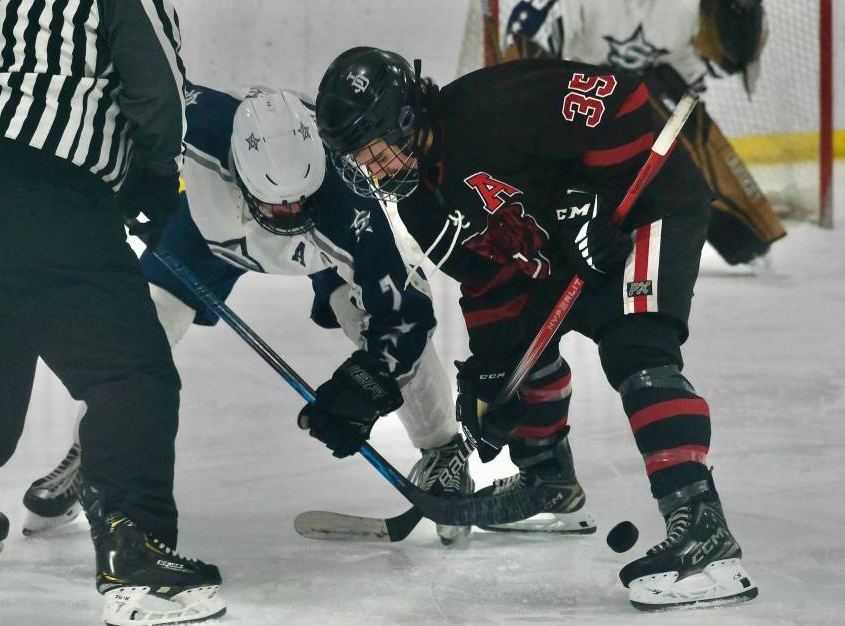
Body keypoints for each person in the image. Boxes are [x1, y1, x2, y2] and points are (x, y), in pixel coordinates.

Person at [313, 46, 758, 609]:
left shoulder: (488, 107)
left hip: (645, 207)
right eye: (360, 161)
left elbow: (622, 98)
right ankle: (549, 483)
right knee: (520, 352)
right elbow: (487, 280)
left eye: (374, 151)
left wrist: (593, 197)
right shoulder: (421, 206)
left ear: (404, 119)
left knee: (636, 351)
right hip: (568, 252)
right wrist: (494, 366)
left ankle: (704, 534)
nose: (372, 171)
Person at [21, 84, 475, 545]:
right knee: (138, 332)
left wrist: (365, 389)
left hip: (322, 250)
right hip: (200, 233)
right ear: (238, 172)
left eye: (301, 198)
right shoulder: (190, 122)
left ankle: (444, 451)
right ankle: (95, 449)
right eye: (278, 203)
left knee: (368, 323)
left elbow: (405, 314)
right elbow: (101, 109)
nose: (291, 211)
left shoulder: (348, 199)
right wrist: (103, 184)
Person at [0, 0, 224, 625]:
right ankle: (137, 555)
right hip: (43, 185)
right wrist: (156, 178)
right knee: (131, 375)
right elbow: (155, 81)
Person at [502, 0, 785, 266]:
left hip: (663, 93)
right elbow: (525, 34)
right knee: (551, 166)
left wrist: (737, 47)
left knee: (698, 152)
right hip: (588, 92)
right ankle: (532, 231)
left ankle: (744, 238)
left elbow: (723, 57)